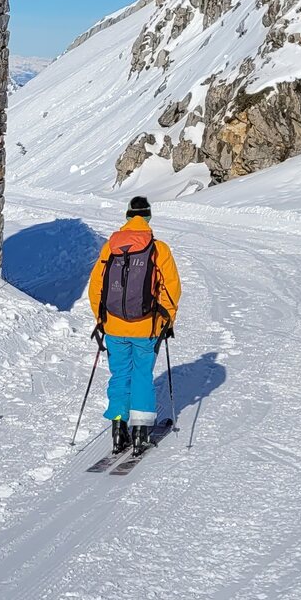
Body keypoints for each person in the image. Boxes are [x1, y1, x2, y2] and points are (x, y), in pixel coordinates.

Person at [87, 195, 182, 455]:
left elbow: (96, 286)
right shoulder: (158, 248)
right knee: (141, 375)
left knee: (120, 375)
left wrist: (101, 318)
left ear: (127, 217)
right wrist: (167, 319)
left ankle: (119, 429)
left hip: (114, 327)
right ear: (148, 217)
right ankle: (141, 433)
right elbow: (171, 288)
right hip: (146, 326)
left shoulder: (110, 248)